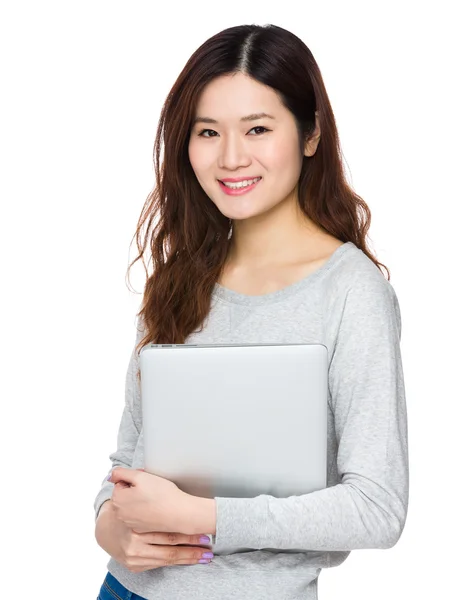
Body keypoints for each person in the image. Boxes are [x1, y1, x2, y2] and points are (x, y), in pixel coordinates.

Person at [94, 23, 409, 600]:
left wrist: (207, 518)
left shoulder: (351, 293)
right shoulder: (178, 280)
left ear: (310, 134)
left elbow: (376, 507)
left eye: (258, 128)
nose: (231, 157)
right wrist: (109, 526)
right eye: (208, 131)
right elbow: (130, 459)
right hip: (126, 592)